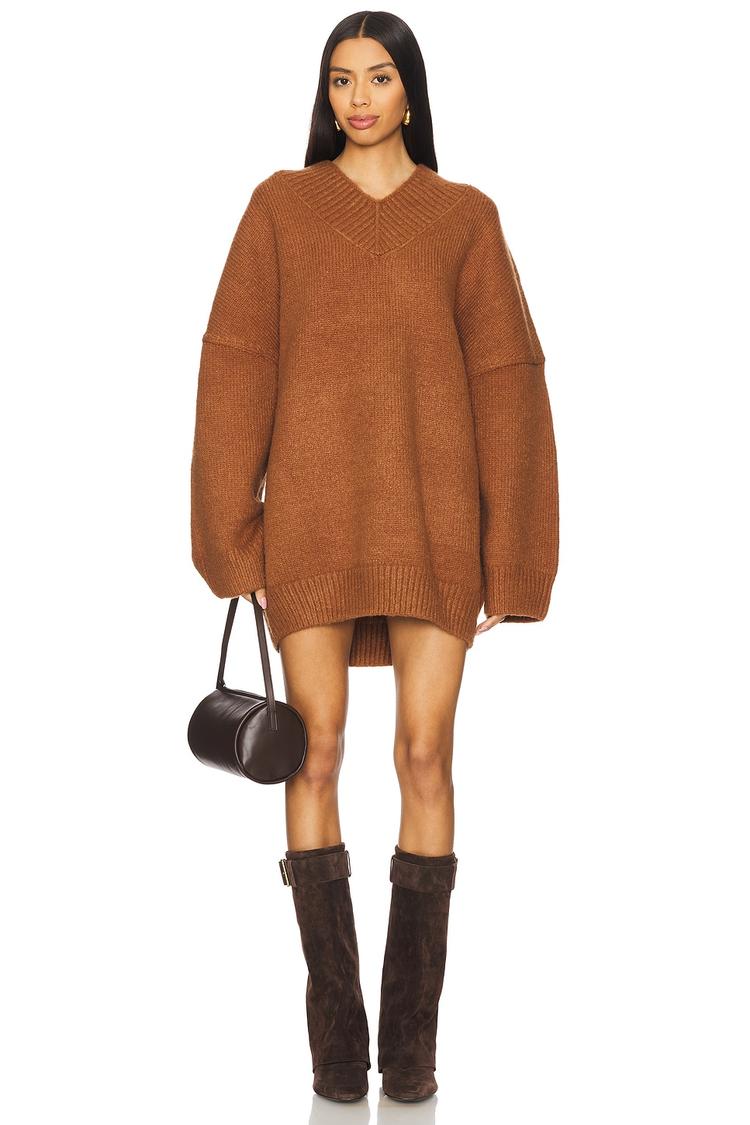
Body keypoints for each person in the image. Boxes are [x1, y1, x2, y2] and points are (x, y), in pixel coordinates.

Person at [190, 10, 559, 1105]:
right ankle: (336, 1051)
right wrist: (233, 538)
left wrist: (513, 552)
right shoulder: (280, 209)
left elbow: (509, 383)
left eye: (379, 78)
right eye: (341, 79)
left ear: (411, 93)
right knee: (312, 756)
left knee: (426, 755)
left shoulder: (464, 219)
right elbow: (235, 369)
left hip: (434, 524)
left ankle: (413, 1052)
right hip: (311, 522)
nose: (357, 98)